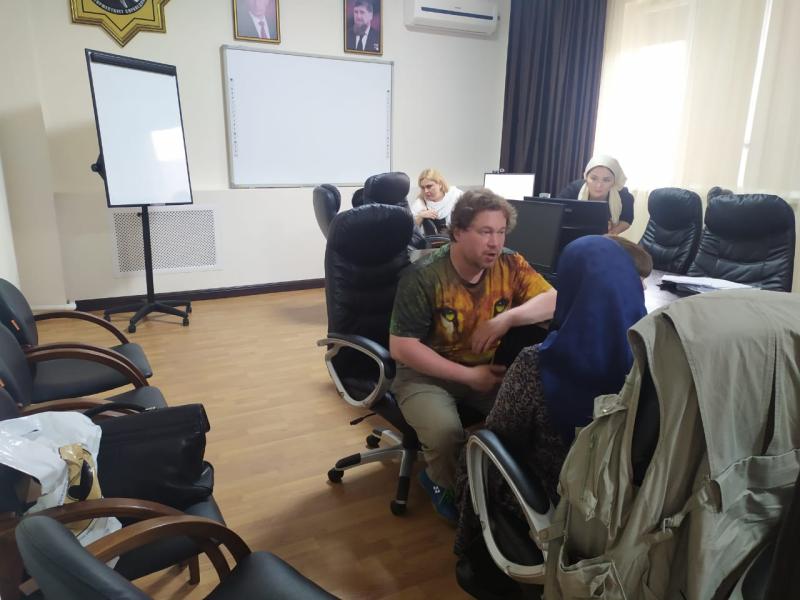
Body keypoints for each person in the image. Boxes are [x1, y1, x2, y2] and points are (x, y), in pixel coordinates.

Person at [453, 235, 647, 561]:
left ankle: (474, 553)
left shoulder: (538, 363)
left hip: (553, 505)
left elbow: (501, 435)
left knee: (474, 451)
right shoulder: (654, 359)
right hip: (623, 509)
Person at [389, 189, 557, 522]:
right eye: (485, 232)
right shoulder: (423, 276)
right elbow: (402, 346)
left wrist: (506, 318)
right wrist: (468, 376)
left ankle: (504, 485)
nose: (495, 243)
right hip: (425, 375)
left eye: (501, 232)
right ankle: (440, 483)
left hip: (485, 369)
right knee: (445, 434)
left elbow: (553, 299)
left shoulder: (510, 263)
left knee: (530, 416)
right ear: (458, 232)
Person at [558, 155, 635, 235]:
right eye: (593, 178)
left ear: (614, 182)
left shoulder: (623, 195)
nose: (599, 185)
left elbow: (627, 219)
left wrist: (612, 232)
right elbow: (557, 211)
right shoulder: (574, 189)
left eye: (606, 180)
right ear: (586, 177)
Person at [409, 168, 462, 234]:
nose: (426, 191)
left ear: (440, 184)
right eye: (423, 187)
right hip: (433, 240)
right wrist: (420, 216)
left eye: (429, 186)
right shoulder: (420, 204)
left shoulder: (456, 195)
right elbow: (410, 229)